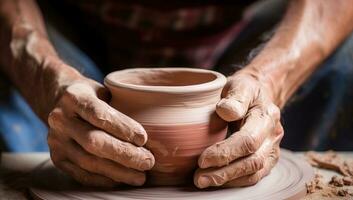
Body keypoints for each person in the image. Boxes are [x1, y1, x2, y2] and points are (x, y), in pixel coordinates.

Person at [0, 0, 352, 189]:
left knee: (345, 62)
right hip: (69, 33)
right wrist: (43, 75)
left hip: (233, 39)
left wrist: (268, 78)